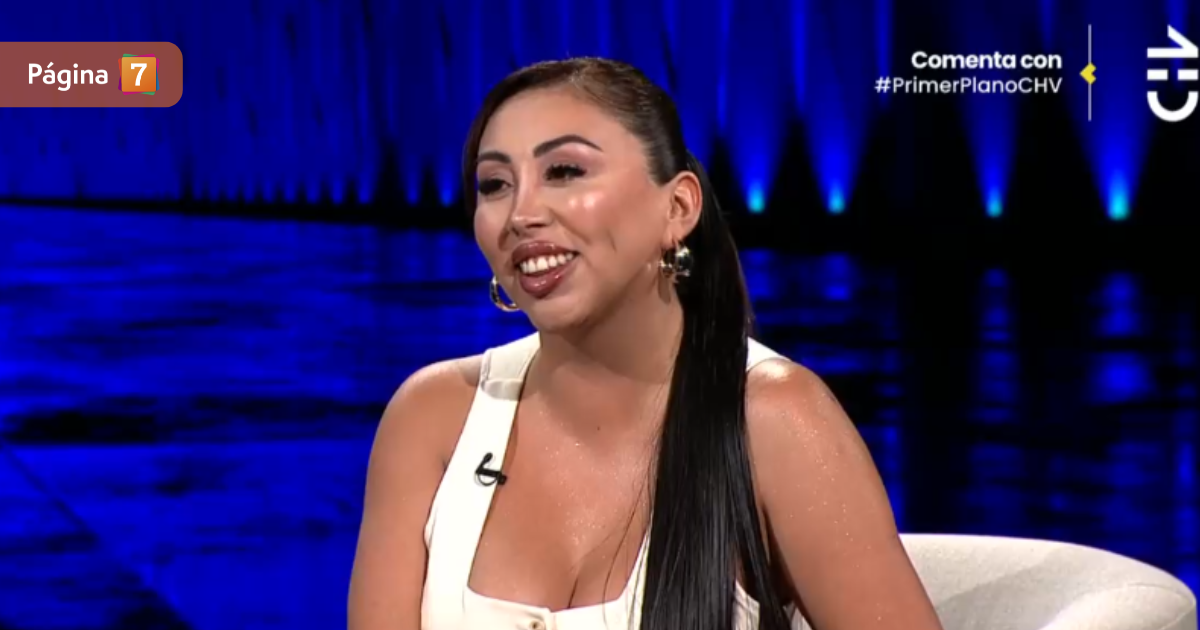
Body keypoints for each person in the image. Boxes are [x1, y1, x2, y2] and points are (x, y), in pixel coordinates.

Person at [347, 57, 943, 630]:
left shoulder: (774, 420)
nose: (521, 214)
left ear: (677, 207)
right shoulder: (431, 418)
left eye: (564, 171)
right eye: (495, 184)